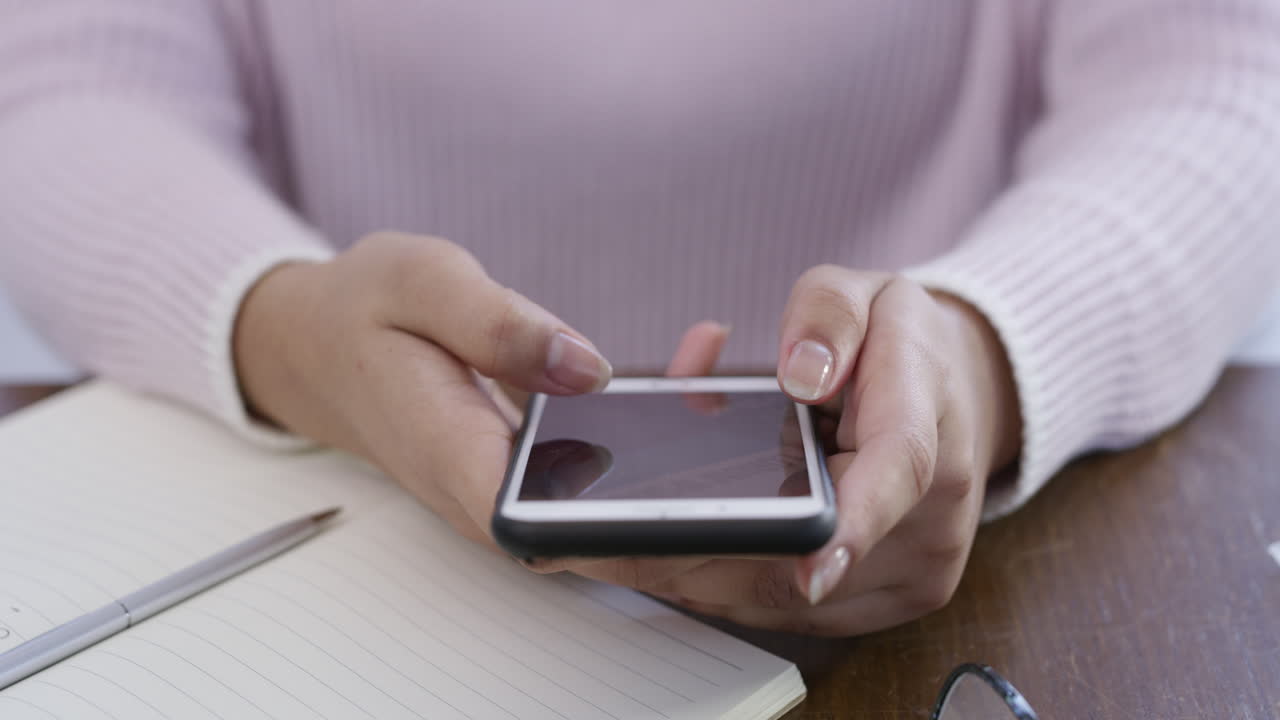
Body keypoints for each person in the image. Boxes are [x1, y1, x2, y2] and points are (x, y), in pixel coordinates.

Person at [0, 1, 1277, 637]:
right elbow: (63, 85)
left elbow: (1220, 88)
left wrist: (986, 350)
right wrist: (282, 327)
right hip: (348, 534)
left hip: (967, 546)